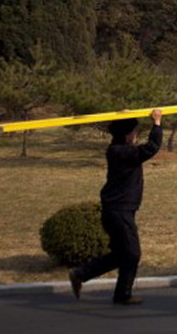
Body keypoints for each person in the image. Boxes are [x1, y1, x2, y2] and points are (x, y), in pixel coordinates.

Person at [69, 109, 163, 305]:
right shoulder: (122, 152)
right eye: (133, 131)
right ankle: (117, 291)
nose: (136, 135)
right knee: (132, 253)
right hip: (119, 212)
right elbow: (152, 147)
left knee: (122, 254)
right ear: (127, 134)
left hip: (118, 210)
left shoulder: (117, 150)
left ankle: (85, 276)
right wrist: (156, 123)